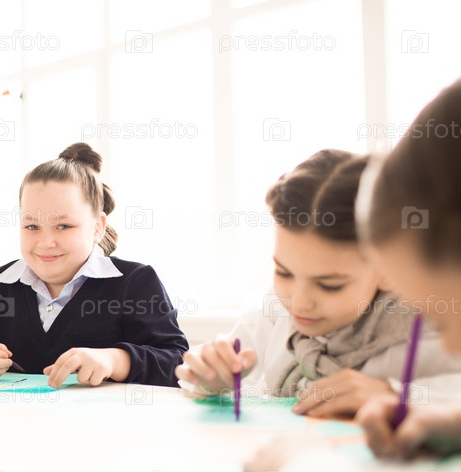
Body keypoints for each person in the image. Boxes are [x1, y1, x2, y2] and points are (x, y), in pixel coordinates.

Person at [244, 79, 461, 472]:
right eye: (284, 272)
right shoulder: (269, 313)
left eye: (441, 317)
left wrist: (297, 464)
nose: (452, 344)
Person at [176, 149, 461, 417]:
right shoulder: (276, 310)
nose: (299, 302)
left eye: (329, 285)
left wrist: (395, 394)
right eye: (284, 273)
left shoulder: (434, 324)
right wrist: (211, 376)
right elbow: (202, 371)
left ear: (389, 270)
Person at [0, 143, 187, 387]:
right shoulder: (1, 284)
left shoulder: (135, 282)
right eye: (32, 226)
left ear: (97, 227)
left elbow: (176, 361)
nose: (46, 242)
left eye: (63, 226)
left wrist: (114, 360)